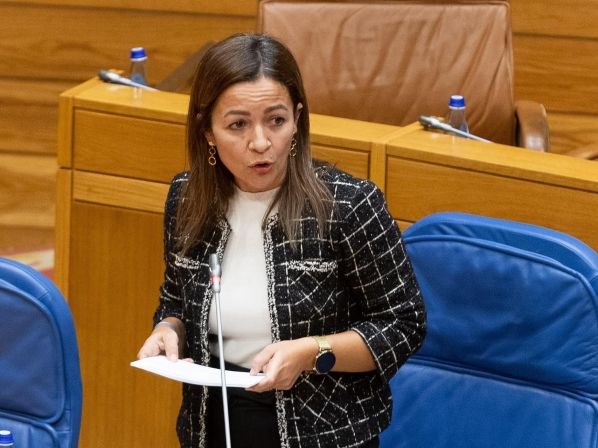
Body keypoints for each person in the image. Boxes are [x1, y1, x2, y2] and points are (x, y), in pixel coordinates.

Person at [137, 33, 426, 448]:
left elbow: (402, 324)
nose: (260, 142)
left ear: (297, 119)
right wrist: (169, 328)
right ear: (208, 132)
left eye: (276, 120)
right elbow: (176, 299)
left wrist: (312, 352)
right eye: (238, 124)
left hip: (324, 432)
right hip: (212, 424)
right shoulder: (186, 198)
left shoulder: (349, 204)